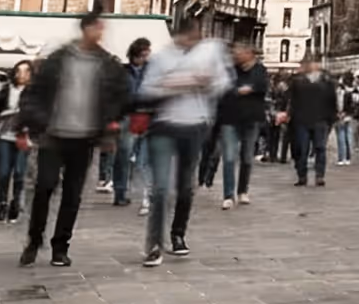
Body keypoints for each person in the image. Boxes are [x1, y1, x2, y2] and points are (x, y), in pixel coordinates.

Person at [18, 13, 129, 269]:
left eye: (102, 28)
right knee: (44, 187)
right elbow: (34, 93)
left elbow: (121, 96)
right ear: (85, 29)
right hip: (54, 134)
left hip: (85, 136)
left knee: (72, 194)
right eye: (97, 28)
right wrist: (33, 122)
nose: (100, 33)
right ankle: (34, 241)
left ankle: (60, 247)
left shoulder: (107, 63)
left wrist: (109, 127)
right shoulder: (59, 59)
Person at [138, 22, 228, 267]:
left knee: (186, 186)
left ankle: (178, 234)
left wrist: (206, 82)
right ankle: (154, 245)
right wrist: (170, 85)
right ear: (178, 35)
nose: (191, 41)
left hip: (195, 125)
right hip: (164, 125)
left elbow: (223, 84)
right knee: (161, 189)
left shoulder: (210, 51)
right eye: (187, 36)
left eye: (195, 37)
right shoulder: (161, 57)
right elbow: (146, 90)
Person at [216, 41, 268, 210]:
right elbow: (223, 89)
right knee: (229, 157)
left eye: (239, 51)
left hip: (251, 119)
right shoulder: (230, 70)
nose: (236, 54)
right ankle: (228, 195)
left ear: (249, 52)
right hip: (229, 118)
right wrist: (242, 90)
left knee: (247, 157)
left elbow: (262, 86)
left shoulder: (260, 70)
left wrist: (248, 89)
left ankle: (242, 191)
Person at [0, 61, 34, 223]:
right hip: (5, 135)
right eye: (19, 71)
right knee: (3, 173)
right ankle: (1, 204)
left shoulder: (35, 92)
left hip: (24, 137)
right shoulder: (6, 89)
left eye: (26, 71)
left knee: (19, 173)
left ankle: (15, 204)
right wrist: (5, 113)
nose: (22, 74)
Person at [285, 57, 335, 188]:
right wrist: (289, 115)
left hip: (321, 120)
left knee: (320, 148)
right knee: (302, 149)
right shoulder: (297, 81)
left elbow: (332, 101)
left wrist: (331, 119)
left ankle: (319, 175)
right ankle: (302, 175)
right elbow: (291, 100)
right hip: (301, 120)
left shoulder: (327, 81)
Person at [113, 39, 152, 209]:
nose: (146, 57)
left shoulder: (151, 71)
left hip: (148, 116)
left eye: (147, 53)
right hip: (128, 116)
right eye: (143, 53)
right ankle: (120, 191)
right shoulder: (123, 72)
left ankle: (144, 192)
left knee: (144, 158)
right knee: (124, 154)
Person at [335, 75, 359, 166]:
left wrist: (344, 113)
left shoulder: (347, 94)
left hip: (346, 117)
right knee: (342, 138)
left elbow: (352, 107)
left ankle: (345, 157)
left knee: (345, 138)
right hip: (341, 118)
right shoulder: (337, 96)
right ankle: (343, 157)